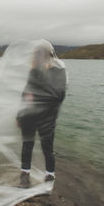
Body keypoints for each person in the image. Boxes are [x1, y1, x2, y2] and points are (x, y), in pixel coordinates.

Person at [16, 40, 67, 188]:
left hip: (47, 115)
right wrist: (19, 115)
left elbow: (60, 95)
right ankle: (25, 176)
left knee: (47, 147)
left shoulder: (58, 71)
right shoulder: (34, 70)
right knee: (27, 145)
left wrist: (41, 102)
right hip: (28, 115)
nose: (37, 56)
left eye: (39, 53)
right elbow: (25, 93)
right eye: (36, 54)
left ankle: (50, 176)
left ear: (47, 54)